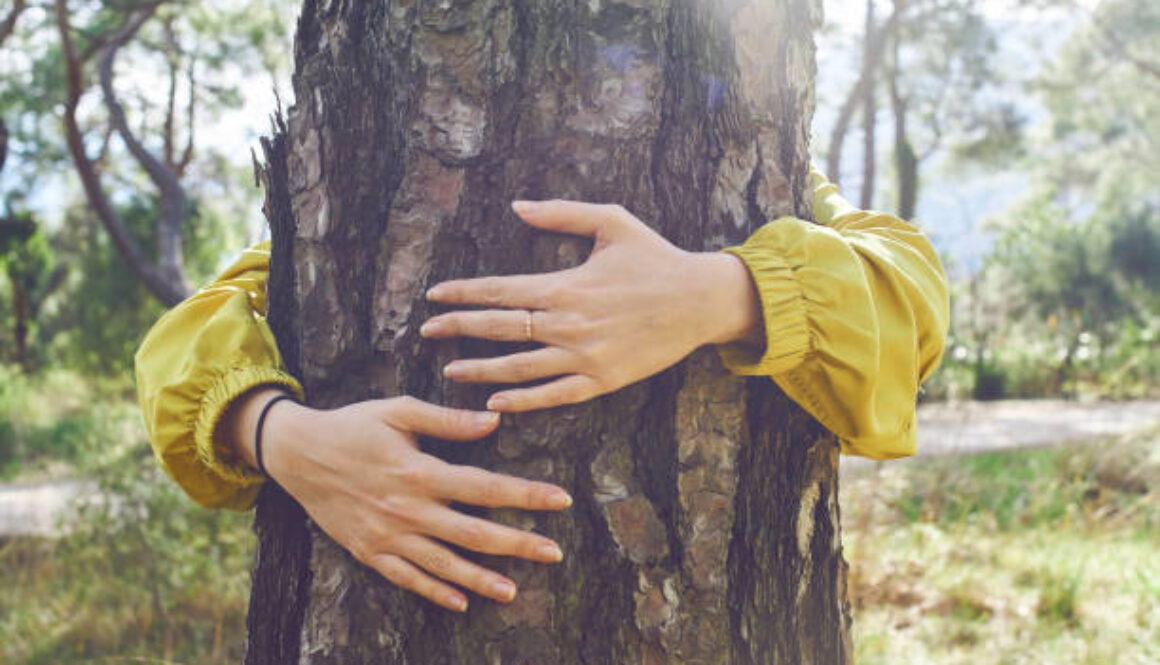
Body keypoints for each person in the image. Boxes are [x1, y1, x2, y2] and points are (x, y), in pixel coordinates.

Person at [135, 167, 949, 613]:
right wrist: (275, 432)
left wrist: (723, 292)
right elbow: (197, 326)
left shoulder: (771, 169)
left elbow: (910, 294)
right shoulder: (365, 171)